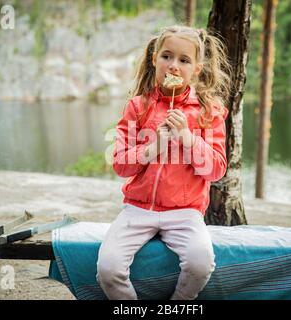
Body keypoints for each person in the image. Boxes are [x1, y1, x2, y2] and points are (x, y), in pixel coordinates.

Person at [96, 25, 232, 300]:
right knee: (108, 268)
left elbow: (216, 169)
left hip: (185, 212)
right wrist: (153, 147)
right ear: (154, 59)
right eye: (167, 57)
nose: (174, 66)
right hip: (138, 209)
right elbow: (121, 165)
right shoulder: (137, 106)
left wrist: (188, 138)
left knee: (200, 263)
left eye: (184, 60)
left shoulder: (209, 112)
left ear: (197, 68)